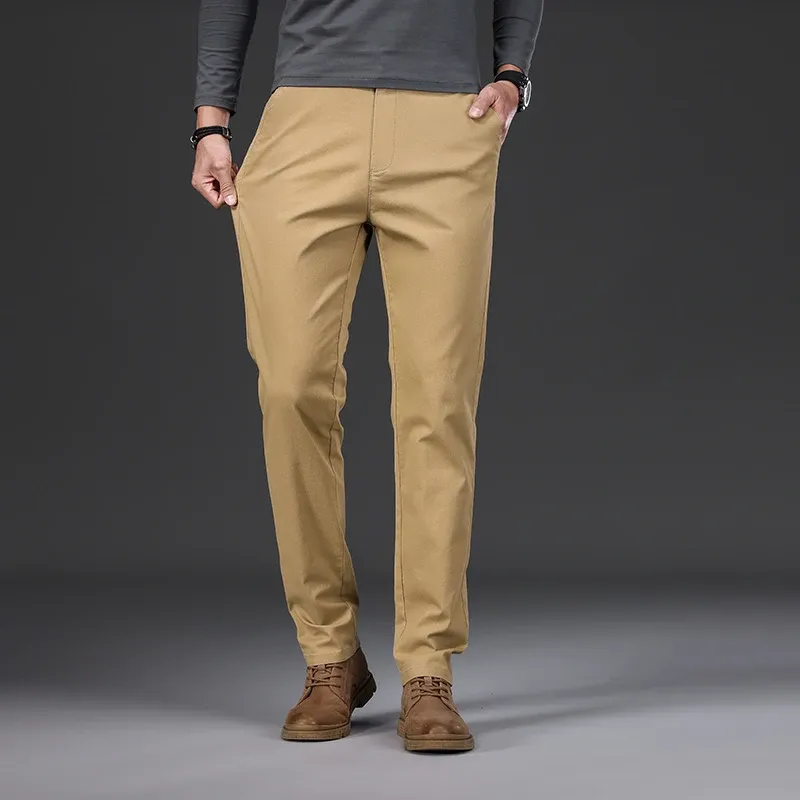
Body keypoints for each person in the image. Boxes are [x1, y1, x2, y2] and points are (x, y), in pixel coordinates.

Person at [190, 0, 543, 753]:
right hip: (306, 119)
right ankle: (330, 655)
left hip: (446, 121)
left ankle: (429, 668)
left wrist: (513, 74)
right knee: (290, 387)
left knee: (438, 399)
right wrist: (211, 122)